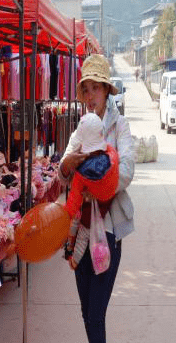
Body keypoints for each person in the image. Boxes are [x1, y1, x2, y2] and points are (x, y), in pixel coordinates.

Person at [58, 54, 134, 342]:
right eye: (86, 89)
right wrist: (68, 165)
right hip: (81, 230)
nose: (90, 96)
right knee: (85, 309)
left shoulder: (120, 126)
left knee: (96, 313)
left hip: (109, 229)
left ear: (106, 91)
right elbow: (62, 172)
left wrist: (99, 184)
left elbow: (126, 170)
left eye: (96, 88)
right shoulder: (81, 127)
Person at [63, 113, 119, 270]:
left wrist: (68, 213)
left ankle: (73, 258)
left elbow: (74, 198)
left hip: (86, 208)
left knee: (81, 232)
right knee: (85, 231)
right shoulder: (112, 156)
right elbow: (117, 176)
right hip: (105, 203)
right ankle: (72, 251)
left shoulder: (81, 172)